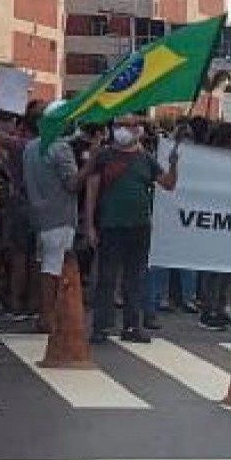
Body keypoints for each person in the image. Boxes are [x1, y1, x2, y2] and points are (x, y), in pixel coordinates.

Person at [83, 114, 180, 344]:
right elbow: (92, 190)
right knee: (106, 278)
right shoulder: (104, 157)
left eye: (127, 126)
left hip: (139, 226)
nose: (122, 130)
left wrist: (174, 164)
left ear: (138, 130)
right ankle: (101, 326)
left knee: (134, 279)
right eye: (118, 125)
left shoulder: (146, 159)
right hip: (111, 225)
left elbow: (168, 184)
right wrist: (89, 225)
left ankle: (131, 326)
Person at [19, 101, 81, 334]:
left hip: (40, 215)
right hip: (60, 215)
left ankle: (42, 313)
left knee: (44, 264)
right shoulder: (60, 148)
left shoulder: (31, 147)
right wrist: (91, 163)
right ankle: (48, 316)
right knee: (53, 269)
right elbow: (72, 183)